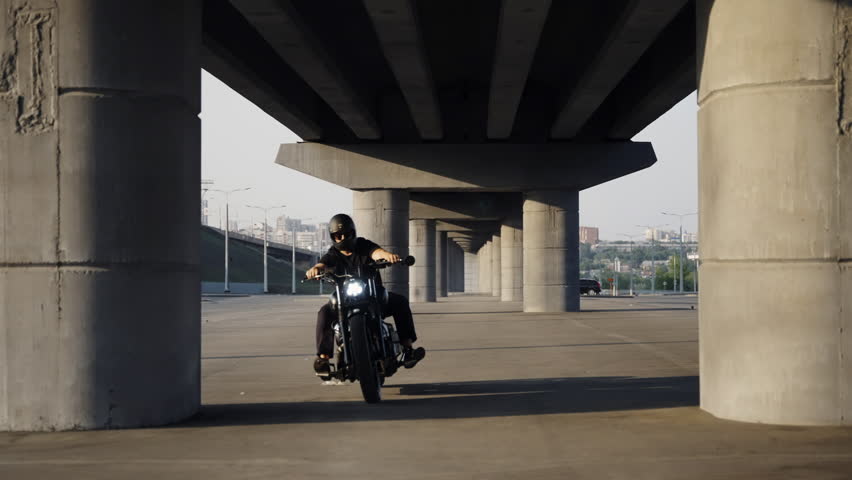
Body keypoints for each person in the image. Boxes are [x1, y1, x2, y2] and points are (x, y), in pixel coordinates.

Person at [306, 213, 426, 375]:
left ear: (352, 233)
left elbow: (377, 252)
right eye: (338, 236)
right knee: (325, 312)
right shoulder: (333, 254)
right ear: (333, 237)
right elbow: (322, 264)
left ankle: (408, 348)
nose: (342, 238)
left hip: (372, 294)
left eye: (346, 234)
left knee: (400, 302)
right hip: (346, 299)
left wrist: (387, 256)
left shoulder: (363, 245)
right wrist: (315, 270)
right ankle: (323, 358)